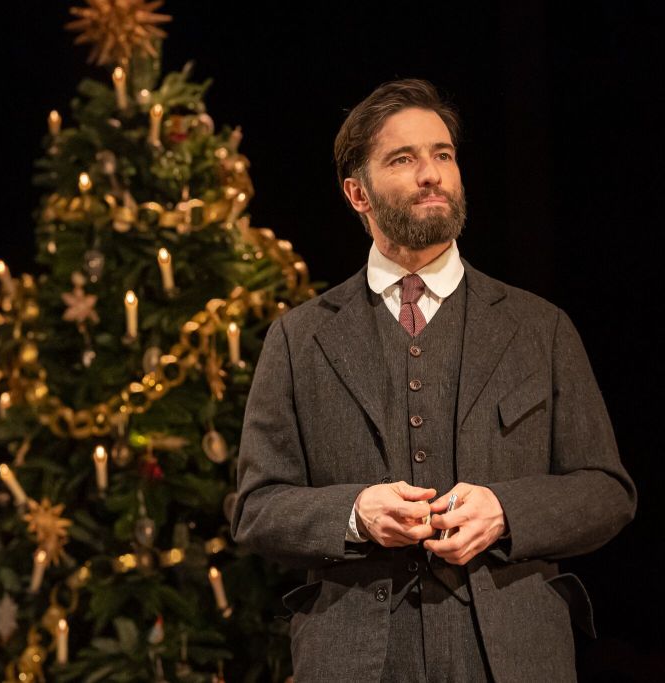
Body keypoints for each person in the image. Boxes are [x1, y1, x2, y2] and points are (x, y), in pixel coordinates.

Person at [231, 79, 636, 682]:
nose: (432, 174)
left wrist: (505, 511)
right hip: (357, 659)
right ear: (357, 193)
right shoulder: (299, 339)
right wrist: (355, 514)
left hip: (513, 657)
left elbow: (607, 491)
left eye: (442, 154)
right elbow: (256, 509)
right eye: (404, 158)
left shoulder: (539, 327)